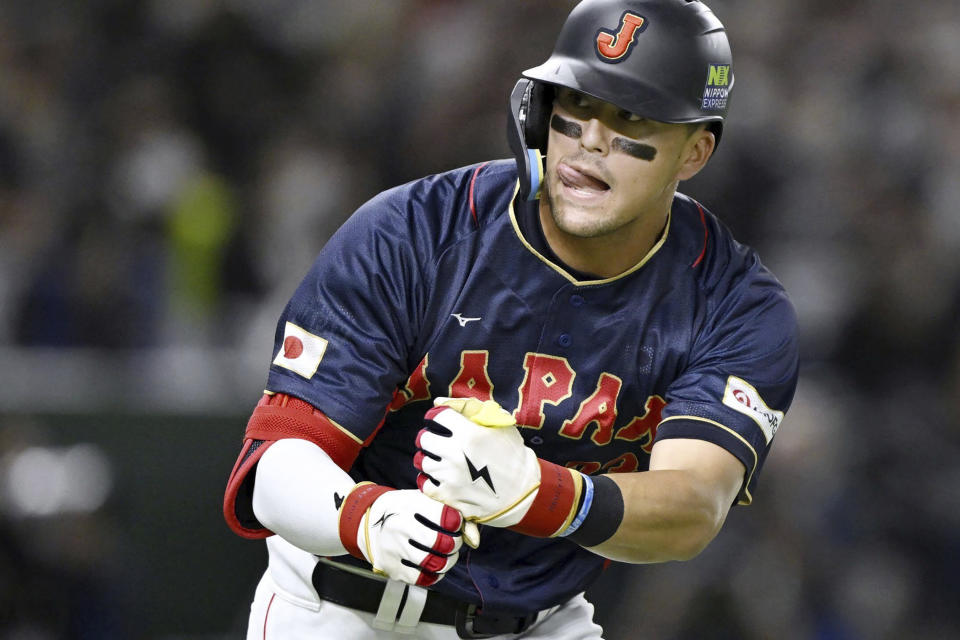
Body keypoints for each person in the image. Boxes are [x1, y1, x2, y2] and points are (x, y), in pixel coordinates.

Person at [223, 1, 799, 638]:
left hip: (543, 622)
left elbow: (692, 506)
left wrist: (537, 492)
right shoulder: (413, 235)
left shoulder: (732, 302)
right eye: (575, 104)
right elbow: (274, 465)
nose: (592, 140)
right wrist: (367, 516)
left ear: (694, 152)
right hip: (345, 608)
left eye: (631, 116)